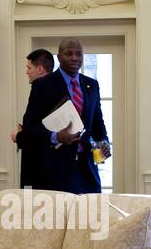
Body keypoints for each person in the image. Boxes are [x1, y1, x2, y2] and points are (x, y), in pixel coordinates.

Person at [20, 38, 111, 193]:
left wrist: (104, 143)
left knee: (90, 216)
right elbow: (30, 127)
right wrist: (56, 136)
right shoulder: (42, 85)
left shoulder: (92, 85)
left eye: (79, 54)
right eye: (69, 54)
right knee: (58, 217)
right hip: (54, 172)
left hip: (87, 170)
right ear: (59, 57)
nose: (75, 58)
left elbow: (97, 123)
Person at [10, 48, 54, 188]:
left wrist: (19, 136)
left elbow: (39, 133)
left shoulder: (39, 87)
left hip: (39, 166)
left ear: (40, 69)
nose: (26, 72)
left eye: (29, 67)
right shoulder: (54, 88)